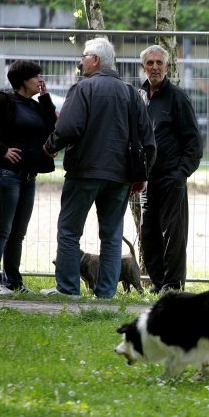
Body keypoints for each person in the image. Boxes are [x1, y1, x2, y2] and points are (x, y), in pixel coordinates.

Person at [41, 37, 155, 299]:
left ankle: (68, 289)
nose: (80, 62)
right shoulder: (131, 94)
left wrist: (49, 146)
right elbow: (148, 140)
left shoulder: (83, 89)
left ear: (95, 59)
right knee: (112, 235)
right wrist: (142, 174)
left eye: (83, 56)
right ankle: (105, 293)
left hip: (85, 172)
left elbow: (68, 127)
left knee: (69, 231)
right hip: (121, 176)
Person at [0, 61, 57, 295]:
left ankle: (13, 281)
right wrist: (2, 149)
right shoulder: (5, 100)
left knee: (18, 233)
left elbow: (53, 128)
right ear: (22, 80)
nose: (40, 79)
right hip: (5, 175)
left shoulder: (37, 105)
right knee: (2, 230)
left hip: (28, 176)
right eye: (36, 76)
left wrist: (46, 99)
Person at [138, 45, 203, 294]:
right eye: (150, 63)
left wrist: (180, 173)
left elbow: (194, 143)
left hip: (171, 177)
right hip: (146, 180)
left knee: (172, 234)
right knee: (148, 232)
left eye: (159, 63)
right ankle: (157, 283)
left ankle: (172, 285)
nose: (154, 67)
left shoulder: (177, 98)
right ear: (143, 67)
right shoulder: (139, 96)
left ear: (166, 66)